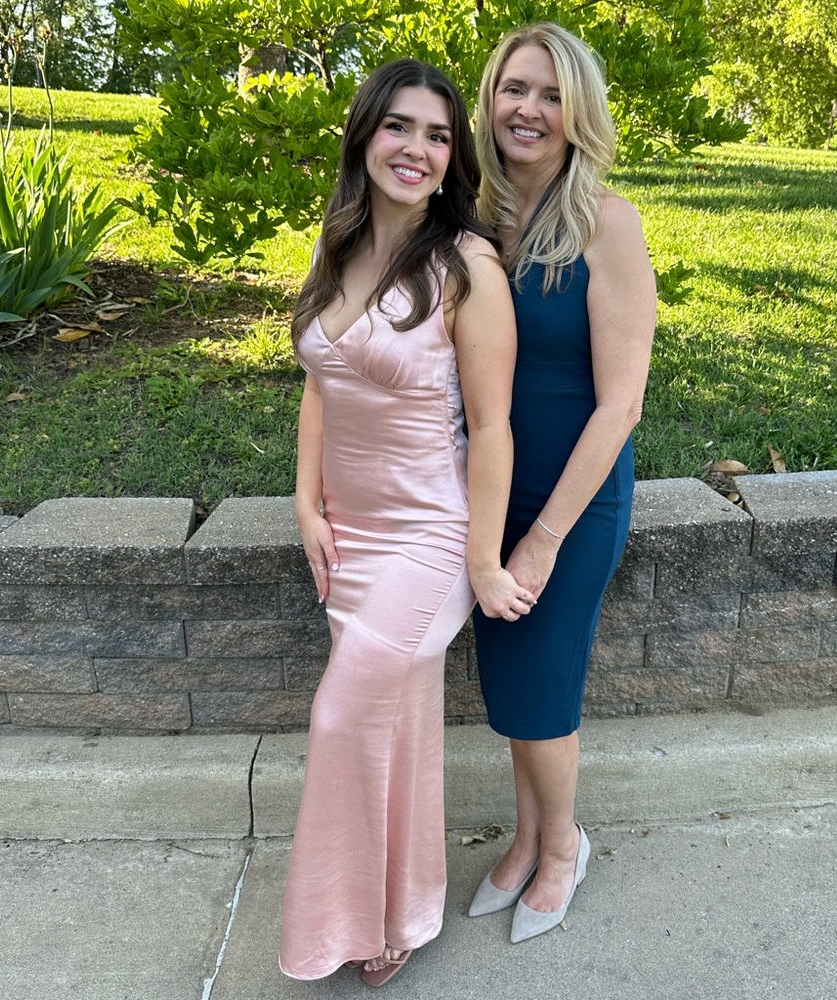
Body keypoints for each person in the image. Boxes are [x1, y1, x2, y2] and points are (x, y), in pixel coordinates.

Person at [279, 58, 534, 986]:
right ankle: (400, 913)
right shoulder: (339, 243)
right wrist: (304, 501)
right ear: (365, 135)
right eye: (399, 127)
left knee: (344, 714)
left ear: (452, 155)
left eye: (437, 135)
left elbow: (495, 427)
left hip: (427, 540)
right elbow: (322, 380)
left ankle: (345, 922)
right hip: (348, 535)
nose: (417, 150)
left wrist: (482, 560)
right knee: (394, 723)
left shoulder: (467, 265)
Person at [467, 24, 657, 943]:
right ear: (489, 100)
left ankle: (562, 847)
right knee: (511, 677)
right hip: (488, 490)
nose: (528, 110)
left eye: (548, 94)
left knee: (543, 680)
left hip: (572, 504)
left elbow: (621, 405)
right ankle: (525, 833)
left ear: (577, 112)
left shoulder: (605, 223)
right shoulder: (473, 218)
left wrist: (542, 539)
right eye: (513, 89)